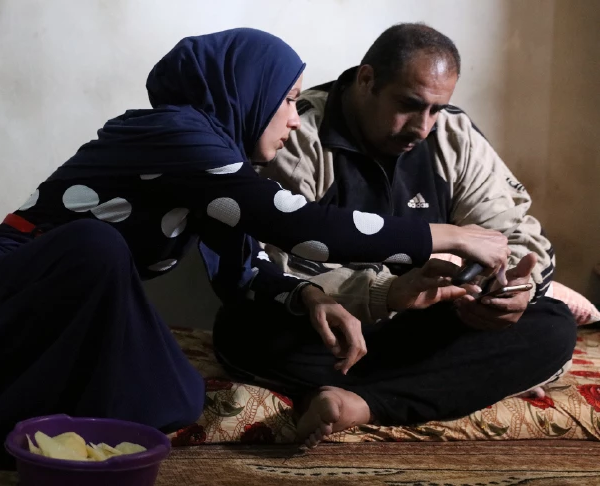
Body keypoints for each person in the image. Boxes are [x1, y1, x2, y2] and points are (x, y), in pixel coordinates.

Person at [0, 28, 510, 466]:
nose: (296, 122)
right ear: (245, 92)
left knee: (175, 397)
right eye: (286, 100)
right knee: (95, 248)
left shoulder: (213, 165)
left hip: (41, 311)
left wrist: (309, 298)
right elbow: (306, 227)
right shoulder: (175, 135)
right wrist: (447, 234)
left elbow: (246, 266)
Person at [206, 23, 577, 447]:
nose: (422, 127)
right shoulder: (297, 131)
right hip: (329, 332)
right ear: (367, 79)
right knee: (244, 331)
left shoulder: (453, 135)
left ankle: (361, 403)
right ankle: (434, 386)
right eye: (409, 105)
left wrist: (510, 288)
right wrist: (387, 293)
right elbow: (274, 261)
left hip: (417, 331)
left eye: (436, 109)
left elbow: (513, 231)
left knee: (552, 326)